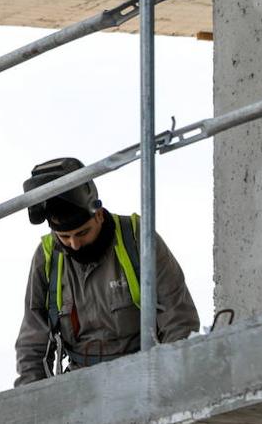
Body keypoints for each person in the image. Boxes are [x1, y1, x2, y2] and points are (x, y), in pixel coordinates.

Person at [15, 158, 199, 385]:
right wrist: (32, 399)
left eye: (82, 233)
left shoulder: (137, 237)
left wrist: (171, 382)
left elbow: (178, 320)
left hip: (143, 374)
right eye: (64, 237)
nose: (74, 244)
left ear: (99, 214)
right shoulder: (47, 257)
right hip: (80, 384)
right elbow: (33, 340)